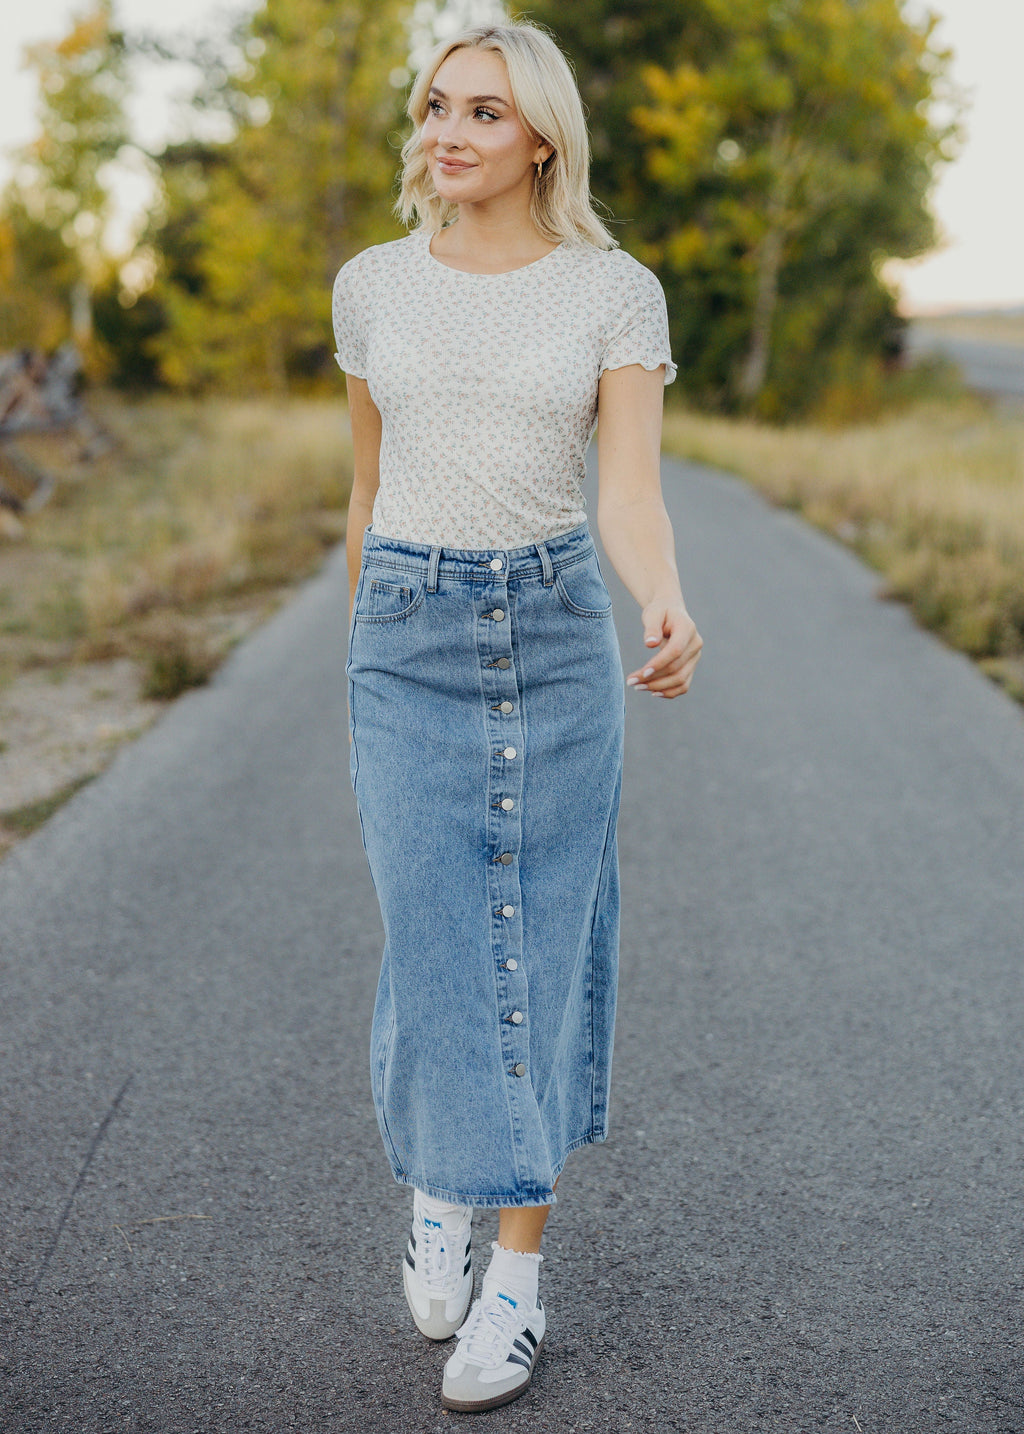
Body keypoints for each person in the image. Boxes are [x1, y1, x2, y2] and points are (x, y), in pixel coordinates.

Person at [332, 19, 702, 1413]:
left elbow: (629, 488)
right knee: (430, 928)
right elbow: (367, 489)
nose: (449, 131)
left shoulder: (614, 293)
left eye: (483, 111)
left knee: (545, 950)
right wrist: (359, 647)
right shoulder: (371, 286)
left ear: (541, 135)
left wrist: (663, 595)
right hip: (407, 637)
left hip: (553, 633)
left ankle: (518, 1282)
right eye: (436, 107)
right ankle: (441, 1184)